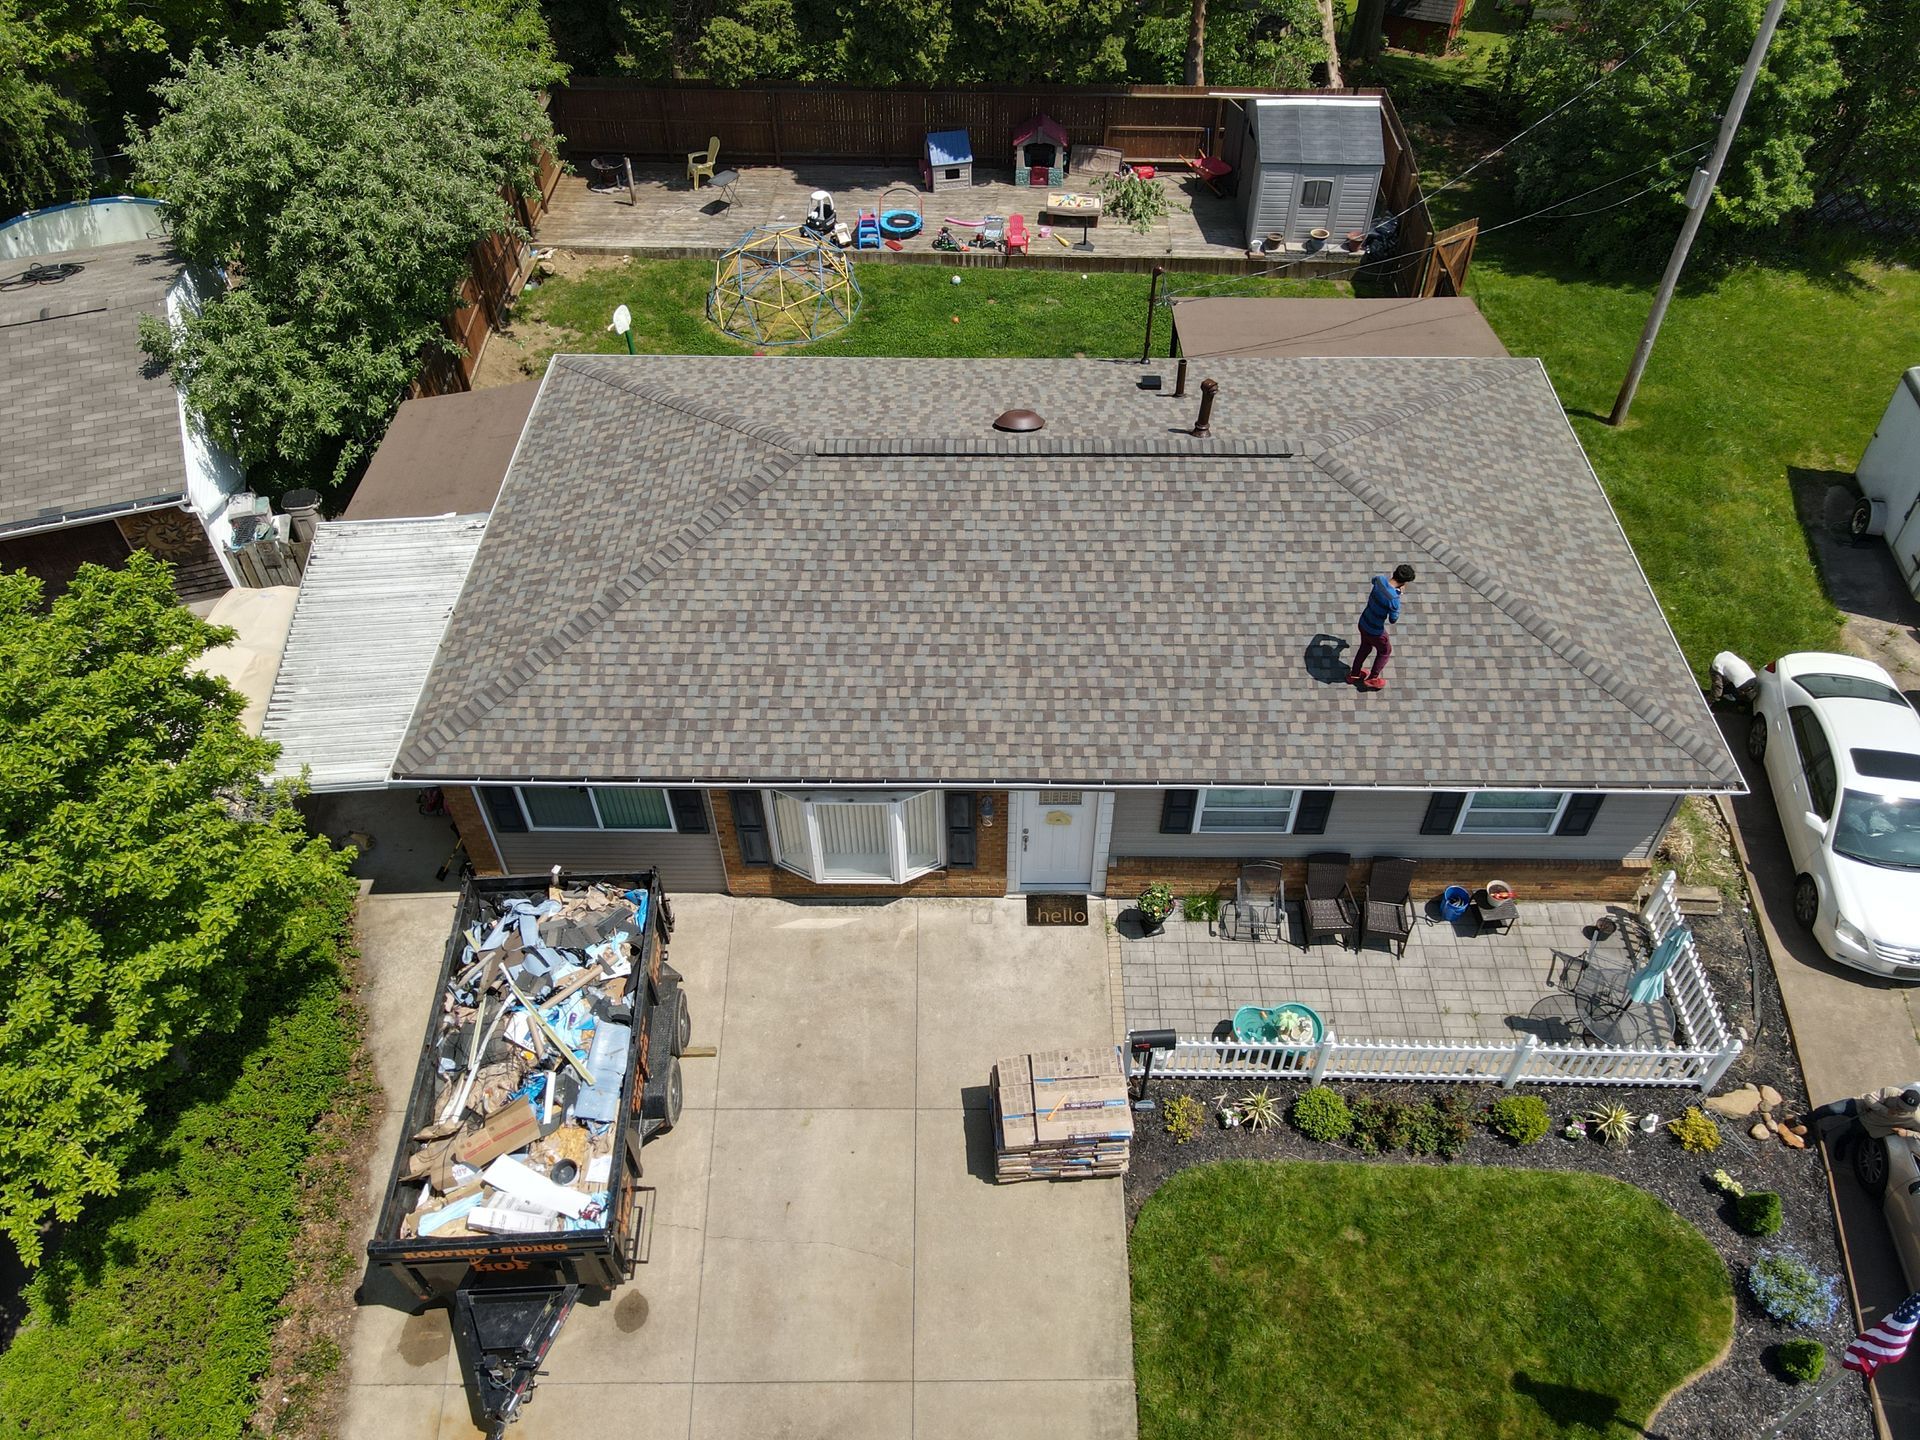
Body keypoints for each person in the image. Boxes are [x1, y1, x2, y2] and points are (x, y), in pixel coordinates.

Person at [1800, 1082, 1920, 1159]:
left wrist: (1908, 1133)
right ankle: (1808, 1118)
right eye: (1899, 1105)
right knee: (1832, 1109)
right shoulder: (1891, 1092)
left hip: (1871, 1125)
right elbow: (1870, 1098)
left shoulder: (1915, 1118)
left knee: (1851, 1133)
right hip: (1861, 1106)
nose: (1900, 1109)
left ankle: (1841, 1144)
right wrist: (1884, 1110)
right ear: (1899, 1097)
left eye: (1905, 1109)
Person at [1347, 563, 1416, 690]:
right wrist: (1398, 595)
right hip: (1375, 631)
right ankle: (1373, 678)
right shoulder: (1394, 599)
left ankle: (1354, 674)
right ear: (1404, 582)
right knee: (1385, 651)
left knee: (1365, 647)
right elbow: (1393, 619)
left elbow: (1374, 581)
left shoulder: (1379, 580)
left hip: (1363, 622)